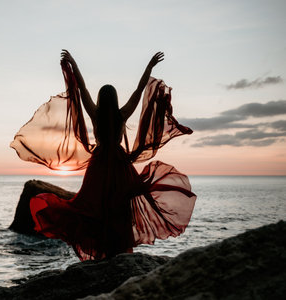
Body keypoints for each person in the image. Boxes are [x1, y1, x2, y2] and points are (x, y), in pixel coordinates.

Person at [11, 50, 196, 261]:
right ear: (115, 99)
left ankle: (102, 253)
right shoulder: (122, 114)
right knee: (120, 208)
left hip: (99, 165)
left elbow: (82, 89)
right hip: (119, 164)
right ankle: (119, 251)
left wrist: (74, 65)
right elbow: (139, 89)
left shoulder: (95, 114)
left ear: (100, 99)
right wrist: (149, 67)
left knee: (94, 207)